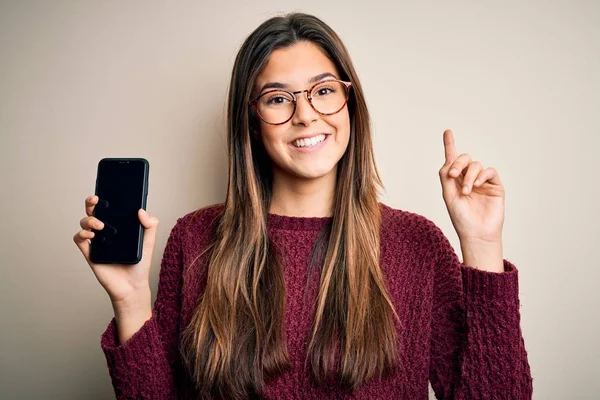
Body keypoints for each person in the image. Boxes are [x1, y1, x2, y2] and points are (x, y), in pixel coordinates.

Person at [73, 12, 533, 400]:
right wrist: (130, 300)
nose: (306, 114)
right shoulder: (195, 239)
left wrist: (483, 245)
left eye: (324, 90)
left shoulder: (418, 245)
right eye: (278, 99)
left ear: (350, 103)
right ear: (252, 123)